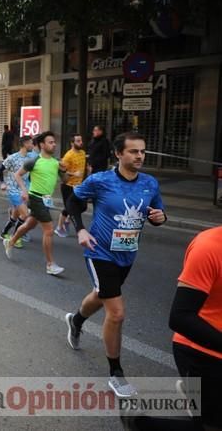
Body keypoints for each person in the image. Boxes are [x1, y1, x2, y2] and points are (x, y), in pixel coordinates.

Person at [64, 131, 166, 398]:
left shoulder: (150, 183)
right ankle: (116, 373)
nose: (140, 156)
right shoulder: (100, 180)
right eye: (133, 151)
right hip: (99, 252)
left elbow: (157, 213)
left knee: (102, 295)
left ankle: (75, 320)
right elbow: (73, 201)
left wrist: (159, 216)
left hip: (127, 254)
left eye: (142, 151)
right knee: (117, 312)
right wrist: (81, 230)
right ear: (119, 154)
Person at [169, 225, 222, 430]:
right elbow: (180, 318)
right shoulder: (209, 247)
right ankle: (139, 421)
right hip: (201, 349)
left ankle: (195, 393)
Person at [3, 131, 66, 275]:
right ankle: (50, 264)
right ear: (42, 145)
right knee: (49, 230)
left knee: (29, 224)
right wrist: (24, 191)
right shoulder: (34, 161)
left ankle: (10, 241)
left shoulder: (56, 162)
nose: (54, 144)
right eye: (50, 142)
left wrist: (65, 169)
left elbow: (66, 180)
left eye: (54, 142)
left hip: (46, 199)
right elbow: (17, 174)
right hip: (36, 198)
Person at [0, 135, 36, 244]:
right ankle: (15, 238)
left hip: (25, 189)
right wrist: (2, 183)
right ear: (25, 144)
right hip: (13, 189)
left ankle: (4, 233)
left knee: (15, 215)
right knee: (25, 215)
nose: (32, 145)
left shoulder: (31, 157)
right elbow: (0, 169)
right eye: (31, 143)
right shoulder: (12, 158)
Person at [55, 133, 86, 237]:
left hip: (79, 185)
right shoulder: (68, 155)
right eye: (78, 141)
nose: (81, 142)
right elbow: (61, 171)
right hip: (68, 186)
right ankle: (59, 228)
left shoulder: (82, 153)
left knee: (83, 206)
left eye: (81, 140)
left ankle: (68, 219)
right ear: (72, 143)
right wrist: (74, 174)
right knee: (68, 208)